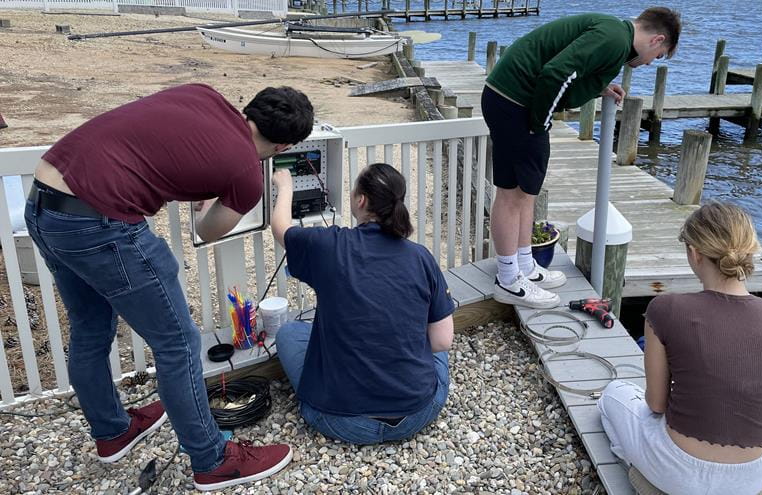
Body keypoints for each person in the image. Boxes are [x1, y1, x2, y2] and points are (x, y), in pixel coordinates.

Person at [24, 83, 313, 491]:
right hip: (100, 223)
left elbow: (166, 148)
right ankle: (212, 460)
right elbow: (207, 230)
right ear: (285, 144)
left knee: (89, 328)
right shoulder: (247, 174)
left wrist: (204, 188)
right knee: (177, 343)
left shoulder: (203, 94)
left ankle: (113, 433)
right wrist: (217, 199)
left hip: (43, 203)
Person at [482, 7, 682, 309]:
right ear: (657, 39)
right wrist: (540, 124)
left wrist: (598, 88)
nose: (649, 63)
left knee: (525, 194)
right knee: (512, 194)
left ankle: (524, 266)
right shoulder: (614, 39)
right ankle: (509, 280)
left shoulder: (613, 32)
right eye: (658, 56)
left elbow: (572, 65)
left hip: (509, 98)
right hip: (517, 104)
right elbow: (556, 73)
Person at [598, 202, 762, 495]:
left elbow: (655, 404)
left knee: (613, 395)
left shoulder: (666, 309)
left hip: (680, 471)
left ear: (694, 253)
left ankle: (643, 476)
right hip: (751, 476)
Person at [271, 163, 455, 444]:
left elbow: (280, 228)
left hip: (340, 421)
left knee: (288, 333)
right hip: (418, 412)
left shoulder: (329, 246)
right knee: (433, 340)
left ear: (361, 200)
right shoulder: (421, 257)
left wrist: (285, 187)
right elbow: (442, 341)